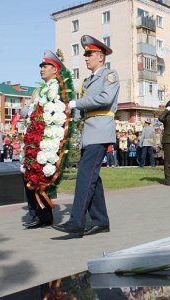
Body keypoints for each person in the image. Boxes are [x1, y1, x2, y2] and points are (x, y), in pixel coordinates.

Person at [52, 35, 119, 237]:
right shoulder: (88, 81)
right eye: (86, 54)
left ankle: (76, 222)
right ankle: (100, 221)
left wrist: (76, 104)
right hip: (89, 132)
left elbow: (105, 99)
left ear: (100, 56)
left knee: (84, 176)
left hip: (100, 131)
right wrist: (64, 112)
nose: (86, 58)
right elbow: (82, 109)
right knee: (93, 178)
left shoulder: (110, 75)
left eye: (89, 54)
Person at [21, 50, 65, 229]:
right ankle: (37, 214)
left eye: (45, 66)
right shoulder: (38, 91)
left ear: (55, 69)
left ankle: (44, 215)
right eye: (41, 66)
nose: (41, 69)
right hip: (34, 139)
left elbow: (64, 114)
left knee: (43, 175)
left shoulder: (60, 90)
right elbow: (29, 112)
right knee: (29, 176)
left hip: (49, 141)